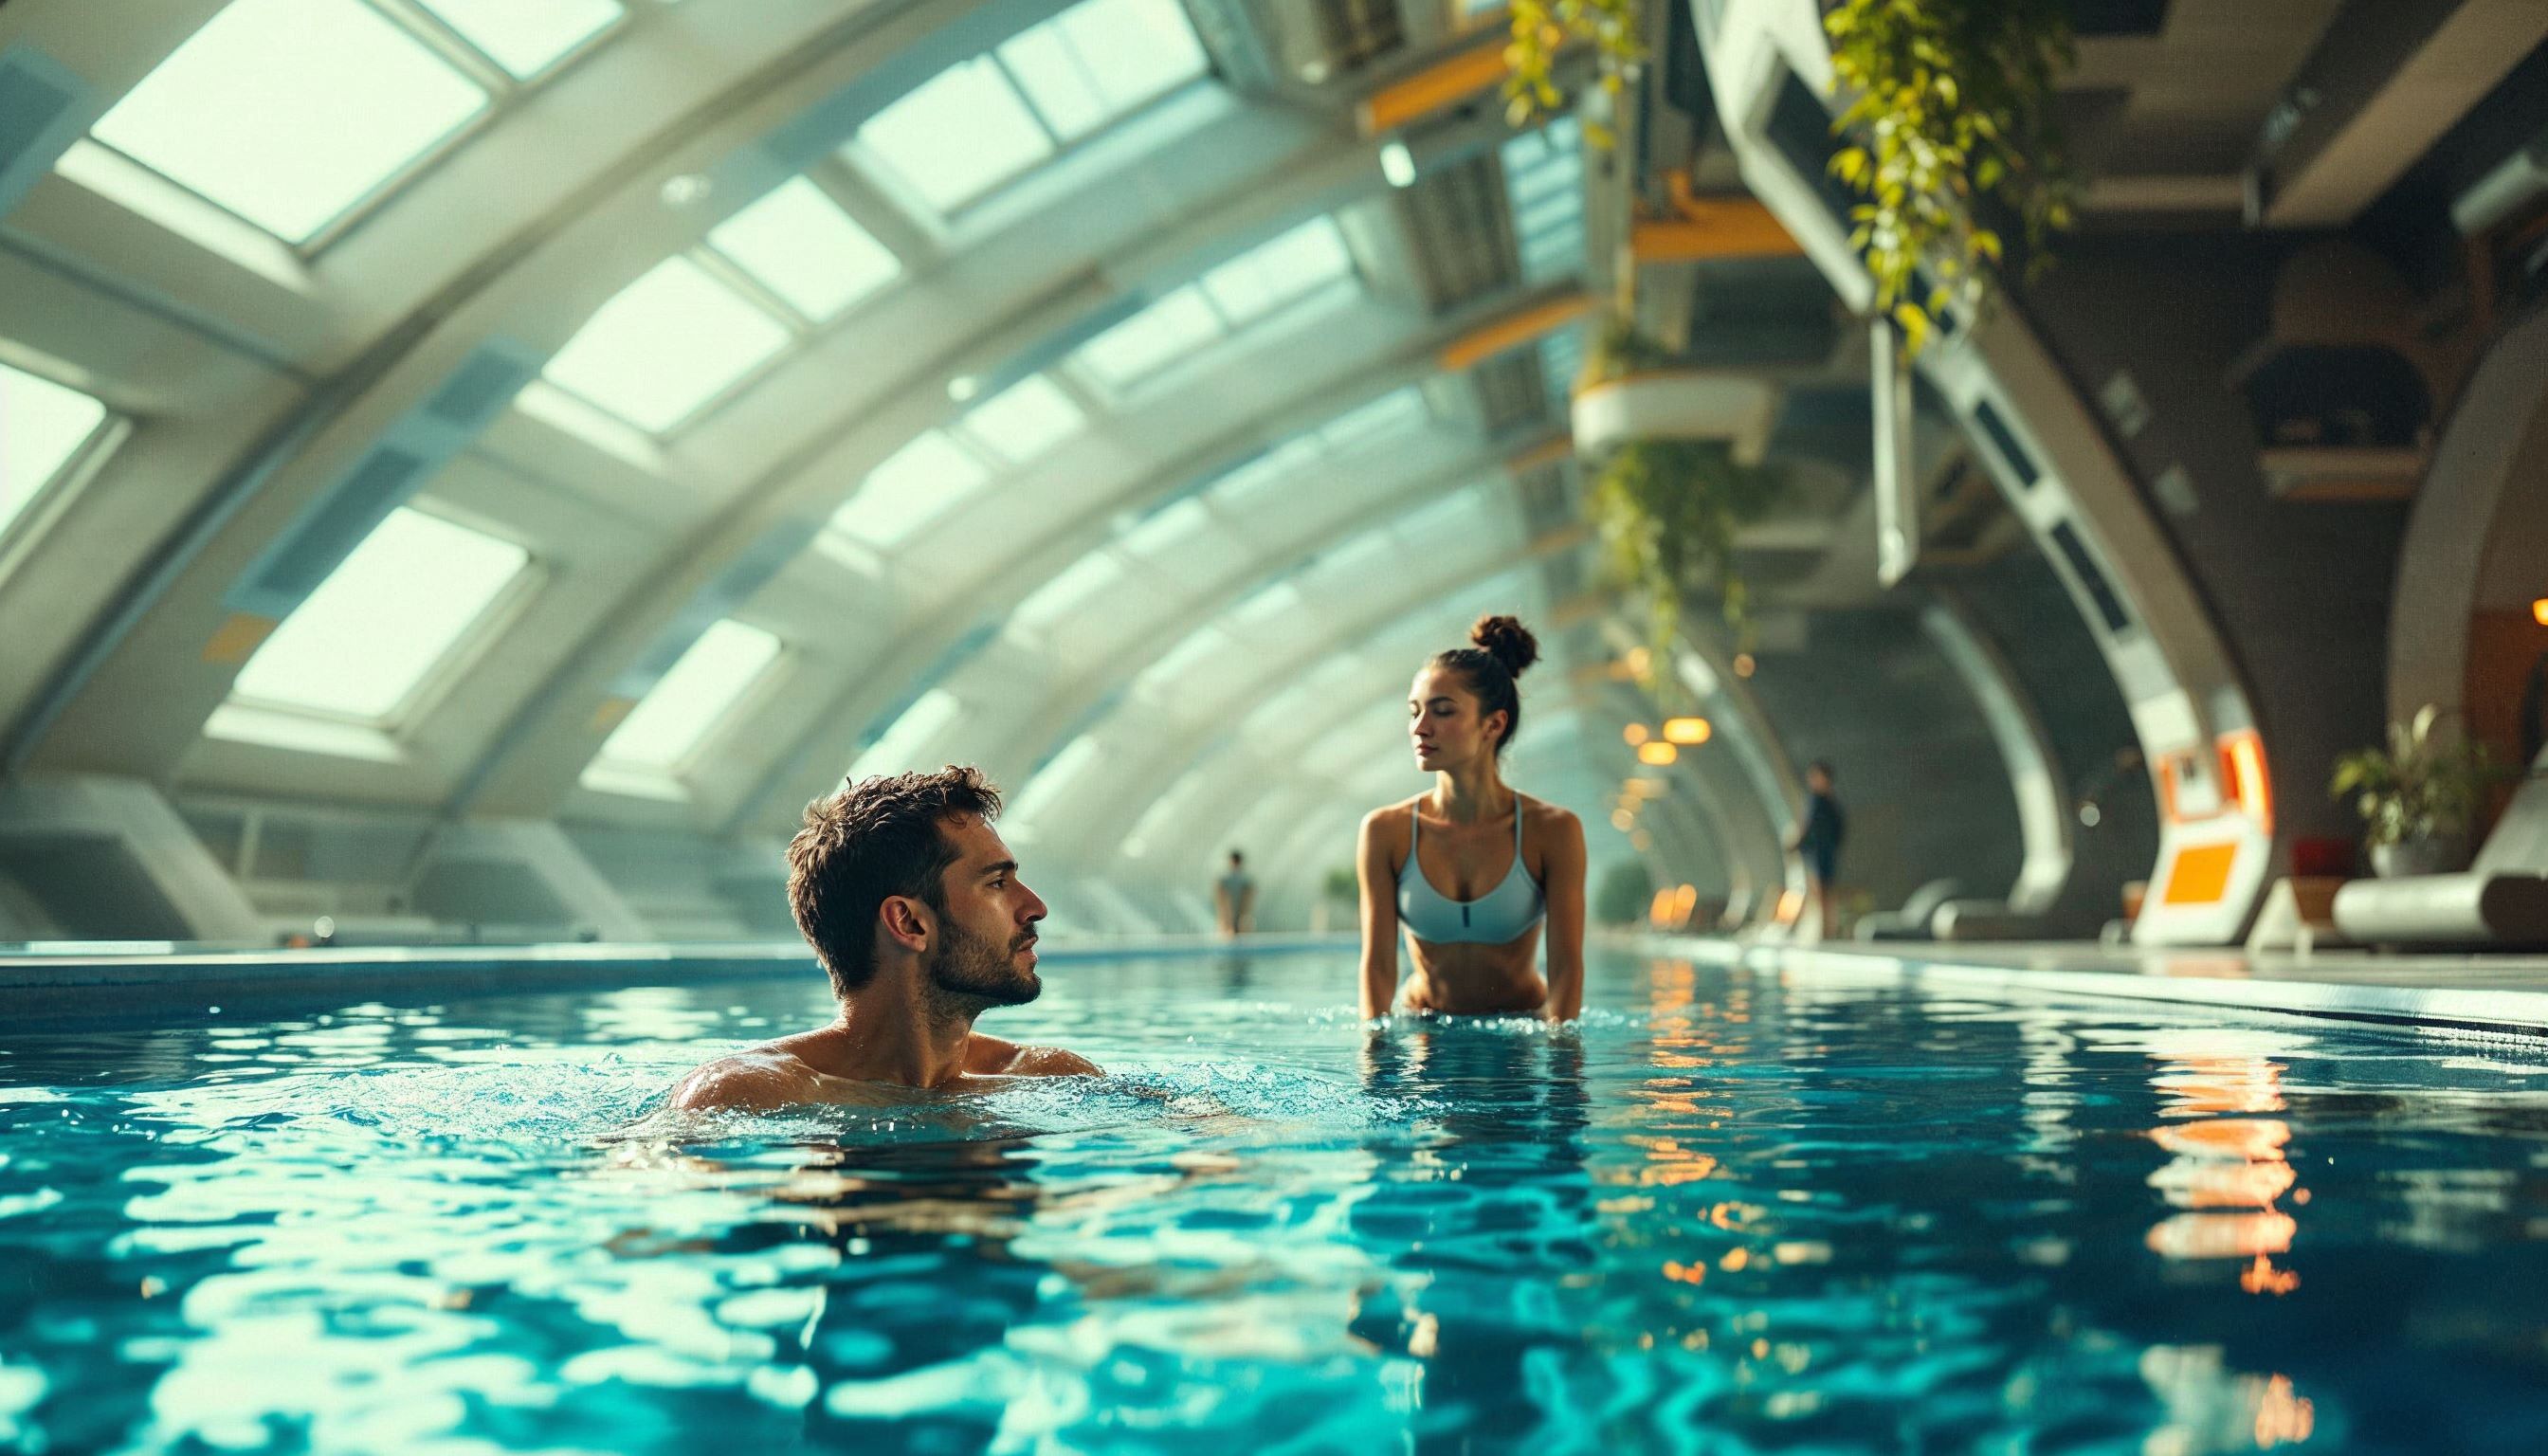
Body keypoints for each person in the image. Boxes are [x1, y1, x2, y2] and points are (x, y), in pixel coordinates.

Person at [665, 766, 1098, 1111]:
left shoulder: (1048, 1076)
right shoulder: (749, 1093)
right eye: (997, 884)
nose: (1036, 907)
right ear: (908, 923)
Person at [1356, 614, 1588, 1021]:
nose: (1420, 728)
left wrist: (1562, 1067)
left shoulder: (1551, 830)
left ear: (1493, 724)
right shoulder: (1386, 831)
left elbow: (1567, 969)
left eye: (1442, 711)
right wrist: (1374, 1062)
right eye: (1415, 712)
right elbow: (1377, 967)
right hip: (1425, 1034)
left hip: (1519, 1032)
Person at [1788, 759, 1846, 939]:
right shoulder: (1828, 801)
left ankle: (1825, 931)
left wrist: (1796, 844)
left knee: (1822, 891)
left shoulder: (1820, 801)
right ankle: (1824, 930)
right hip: (1822, 851)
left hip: (1821, 852)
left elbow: (1809, 825)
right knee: (1821, 891)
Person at [1212, 849, 1255, 937]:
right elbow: (1247, 901)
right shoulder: (1245, 879)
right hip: (1235, 918)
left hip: (1232, 918)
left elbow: (1221, 901)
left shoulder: (1225, 879)